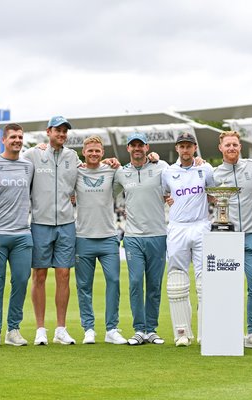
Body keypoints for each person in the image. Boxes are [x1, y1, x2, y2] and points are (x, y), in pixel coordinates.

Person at [23, 116, 79, 345]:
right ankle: (40, 329)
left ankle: (60, 329)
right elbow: (13, 169)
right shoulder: (33, 154)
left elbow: (83, 179)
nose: (62, 134)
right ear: (48, 131)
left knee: (64, 275)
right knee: (39, 275)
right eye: (58, 130)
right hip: (40, 223)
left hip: (66, 223)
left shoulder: (72, 156)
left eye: (65, 131)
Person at [213, 130, 252, 349]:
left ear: (240, 146)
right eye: (228, 145)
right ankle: (227, 331)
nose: (232, 148)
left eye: (235, 144)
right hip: (226, 237)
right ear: (221, 148)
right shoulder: (213, 174)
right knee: (227, 287)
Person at [114, 133, 169, 346]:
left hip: (158, 234)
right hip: (133, 236)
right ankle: (139, 329)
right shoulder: (121, 173)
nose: (137, 148)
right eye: (133, 145)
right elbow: (104, 190)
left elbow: (182, 177)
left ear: (147, 147)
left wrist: (199, 161)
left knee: (154, 285)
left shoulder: (161, 166)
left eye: (140, 145)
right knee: (136, 282)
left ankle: (151, 329)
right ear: (128, 148)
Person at [0, 123, 34, 347]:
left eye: (20, 137)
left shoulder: (28, 166)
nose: (17, 140)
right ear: (3, 140)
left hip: (22, 234)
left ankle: (13, 330)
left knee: (22, 281)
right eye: (13, 137)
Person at [73, 135, 127, 345]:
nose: (94, 154)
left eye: (97, 151)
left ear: (102, 153)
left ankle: (111, 329)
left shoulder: (111, 170)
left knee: (113, 282)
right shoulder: (75, 171)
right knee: (84, 286)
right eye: (90, 150)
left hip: (108, 237)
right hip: (83, 237)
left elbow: (131, 175)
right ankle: (88, 328)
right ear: (83, 152)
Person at [162, 132, 214, 347]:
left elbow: (214, 194)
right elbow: (164, 195)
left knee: (205, 282)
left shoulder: (206, 169)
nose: (185, 150)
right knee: (176, 281)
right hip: (177, 227)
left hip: (202, 224)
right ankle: (181, 333)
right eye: (181, 146)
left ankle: (206, 332)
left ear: (195, 148)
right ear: (177, 149)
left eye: (189, 146)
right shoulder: (167, 172)